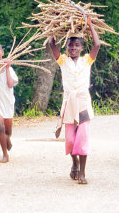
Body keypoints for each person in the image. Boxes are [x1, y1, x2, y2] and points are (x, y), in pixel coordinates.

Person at [49, 17, 101, 184]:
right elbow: (51, 44)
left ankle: (83, 173)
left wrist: (91, 25)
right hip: (69, 104)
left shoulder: (87, 60)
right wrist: (55, 27)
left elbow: (97, 45)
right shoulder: (62, 60)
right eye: (70, 45)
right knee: (71, 139)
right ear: (66, 47)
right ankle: (74, 164)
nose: (73, 48)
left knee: (82, 139)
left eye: (77, 45)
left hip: (84, 103)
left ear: (82, 47)